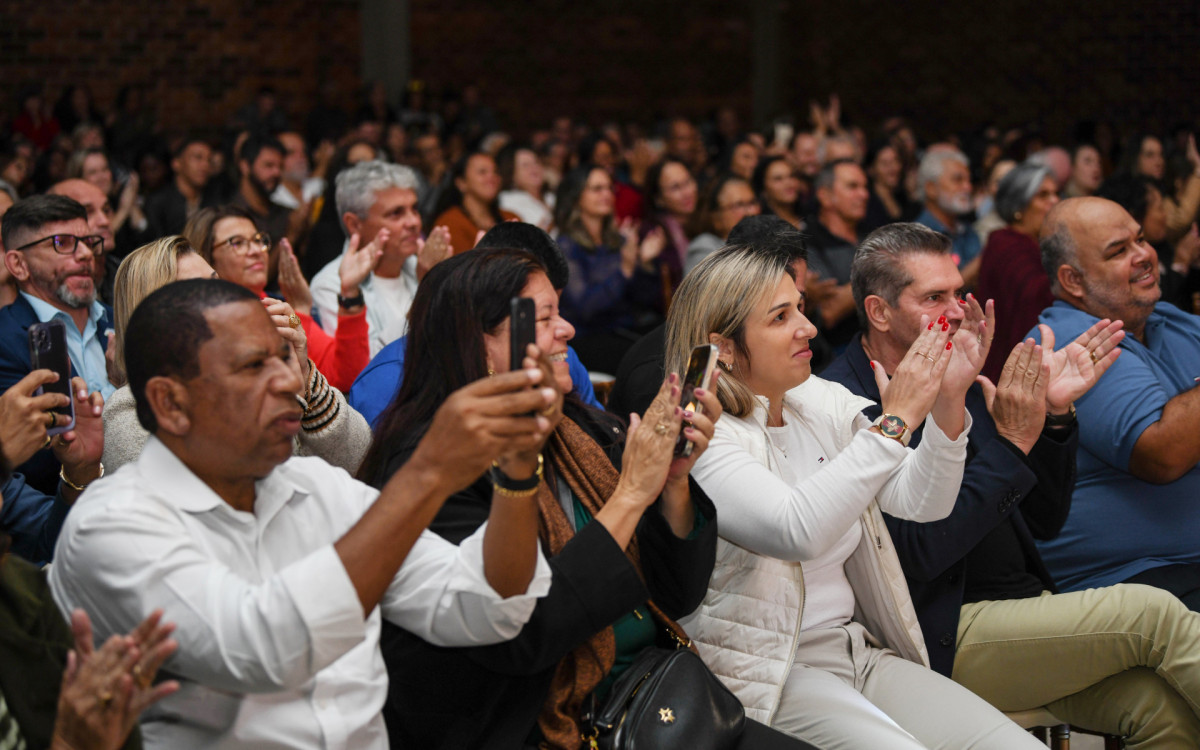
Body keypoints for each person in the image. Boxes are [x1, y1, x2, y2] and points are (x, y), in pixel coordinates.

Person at [50, 278, 556, 749]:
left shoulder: (320, 487)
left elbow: (486, 607)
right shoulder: (113, 524)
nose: (290, 381)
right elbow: (263, 649)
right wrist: (428, 472)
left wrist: (515, 474)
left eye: (286, 357)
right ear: (171, 402)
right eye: (255, 366)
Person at [358, 247, 808, 749]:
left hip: (653, 692)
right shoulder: (432, 470)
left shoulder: (580, 430)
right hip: (550, 723)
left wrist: (673, 482)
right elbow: (529, 636)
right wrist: (633, 494)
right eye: (545, 318)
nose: (567, 330)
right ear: (478, 344)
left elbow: (678, 596)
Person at [823, 221, 1200, 746]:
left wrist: (1056, 416)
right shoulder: (842, 403)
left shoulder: (955, 367)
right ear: (879, 313)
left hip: (1019, 610)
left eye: (958, 293)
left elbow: (1044, 519)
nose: (957, 311)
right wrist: (1012, 443)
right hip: (943, 632)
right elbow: (920, 556)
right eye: (934, 297)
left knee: (1166, 713)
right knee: (1153, 614)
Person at [667, 242, 1044, 748]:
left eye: (800, 307)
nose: (809, 327)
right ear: (726, 347)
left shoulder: (814, 398)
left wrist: (948, 401)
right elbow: (794, 528)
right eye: (781, 317)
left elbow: (921, 502)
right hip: (771, 672)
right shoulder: (704, 435)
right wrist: (895, 422)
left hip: (855, 648)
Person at [1033, 196, 1200, 609]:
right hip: (1132, 579)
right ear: (1073, 280)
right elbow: (1162, 454)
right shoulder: (1069, 345)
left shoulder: (1167, 320)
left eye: (1140, 239)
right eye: (1119, 251)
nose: (1144, 255)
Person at [104, 235, 371, 473]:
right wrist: (289, 401)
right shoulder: (130, 413)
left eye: (217, 285)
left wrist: (304, 376)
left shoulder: (251, 377)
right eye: (201, 293)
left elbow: (360, 458)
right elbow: (260, 489)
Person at [347, 221, 600, 427]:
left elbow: (600, 441)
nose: (566, 329)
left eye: (557, 309)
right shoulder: (392, 379)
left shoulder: (562, 359)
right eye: (543, 318)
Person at [184, 204, 374, 391]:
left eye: (258, 239)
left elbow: (348, 376)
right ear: (205, 256)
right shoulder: (202, 322)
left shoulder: (280, 307)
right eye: (238, 243)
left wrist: (348, 296)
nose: (256, 250)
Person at [0, 195, 114, 493]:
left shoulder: (121, 321)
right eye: (62, 243)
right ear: (19, 264)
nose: (85, 254)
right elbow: (31, 461)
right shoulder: (5, 340)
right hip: (62, 515)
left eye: (88, 241)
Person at [310, 160, 450, 357]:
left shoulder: (420, 265)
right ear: (355, 224)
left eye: (415, 209)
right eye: (396, 213)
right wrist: (428, 287)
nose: (414, 222)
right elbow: (367, 369)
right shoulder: (331, 284)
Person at [553, 165, 665, 372]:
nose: (606, 194)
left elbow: (646, 300)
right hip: (589, 338)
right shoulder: (566, 246)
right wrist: (624, 269)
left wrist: (644, 262)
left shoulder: (619, 239)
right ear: (576, 196)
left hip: (624, 329)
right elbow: (586, 309)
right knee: (650, 357)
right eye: (597, 189)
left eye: (608, 188)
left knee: (672, 334)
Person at [975, 160, 1059, 382]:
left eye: (1055, 193)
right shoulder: (1005, 244)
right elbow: (1036, 298)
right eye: (1043, 195)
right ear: (1019, 206)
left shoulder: (1039, 243)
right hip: (1008, 370)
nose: (1054, 202)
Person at [805, 158, 869, 353]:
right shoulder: (808, 243)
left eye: (865, 187)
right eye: (852, 186)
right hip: (838, 354)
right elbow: (829, 311)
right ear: (825, 196)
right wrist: (881, 268)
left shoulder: (868, 235)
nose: (864, 194)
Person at [912, 149, 982, 287]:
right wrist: (984, 260)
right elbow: (934, 292)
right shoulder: (917, 238)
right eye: (958, 180)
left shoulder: (968, 231)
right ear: (931, 188)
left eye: (969, 180)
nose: (968, 187)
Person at [46, 178, 121, 304]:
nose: (105, 221)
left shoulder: (130, 276)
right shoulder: (49, 286)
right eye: (88, 212)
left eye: (106, 210)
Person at [230, 133, 290, 283]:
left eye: (280, 167)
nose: (276, 173)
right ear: (245, 166)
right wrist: (292, 234)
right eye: (268, 165)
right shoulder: (229, 217)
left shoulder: (285, 213)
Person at [432, 151, 519, 254]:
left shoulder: (510, 217)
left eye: (496, 172)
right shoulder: (449, 223)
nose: (492, 177)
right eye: (482, 172)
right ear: (461, 183)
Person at [641, 156, 698, 292]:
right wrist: (645, 263)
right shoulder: (654, 233)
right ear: (659, 199)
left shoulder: (711, 219)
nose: (686, 192)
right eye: (675, 187)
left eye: (688, 182)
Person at [684, 173, 759, 274]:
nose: (750, 212)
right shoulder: (704, 248)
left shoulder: (763, 243)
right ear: (716, 216)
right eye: (739, 205)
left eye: (752, 203)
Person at [143, 138, 214, 239]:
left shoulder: (214, 202)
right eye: (198, 158)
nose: (205, 165)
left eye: (209, 160)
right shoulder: (158, 203)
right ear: (176, 163)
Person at [497, 143, 554, 231]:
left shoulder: (551, 197)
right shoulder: (508, 200)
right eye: (525, 165)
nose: (534, 168)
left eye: (536, 162)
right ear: (512, 174)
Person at [753, 155, 804, 230]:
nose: (789, 183)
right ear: (764, 189)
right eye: (778, 179)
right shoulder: (762, 228)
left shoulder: (810, 218)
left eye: (792, 176)